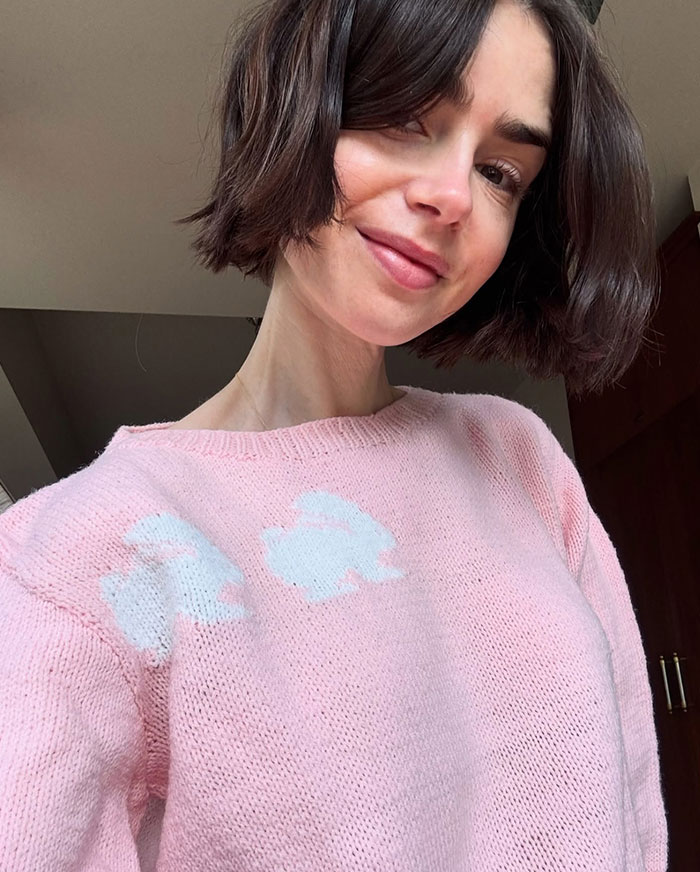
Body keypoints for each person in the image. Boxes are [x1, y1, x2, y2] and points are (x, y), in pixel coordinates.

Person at [0, 0, 667, 869]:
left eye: (502, 171)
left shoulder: (519, 456)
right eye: (408, 118)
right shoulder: (78, 557)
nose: (453, 195)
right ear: (299, 105)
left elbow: (634, 807)